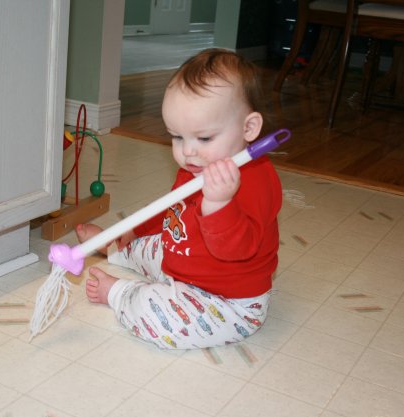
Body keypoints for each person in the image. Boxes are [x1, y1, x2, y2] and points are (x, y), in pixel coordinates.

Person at [76, 48, 282, 349]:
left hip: (225, 299)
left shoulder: (255, 179)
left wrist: (219, 205)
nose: (187, 152)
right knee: (151, 245)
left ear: (248, 128)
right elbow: (171, 209)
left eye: (204, 138)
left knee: (160, 317)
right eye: (177, 136)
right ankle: (115, 248)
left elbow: (240, 250)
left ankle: (120, 294)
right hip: (182, 260)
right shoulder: (197, 164)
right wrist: (135, 230)